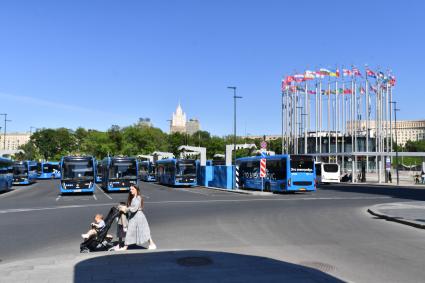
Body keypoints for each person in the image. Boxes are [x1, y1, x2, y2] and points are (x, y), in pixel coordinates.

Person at [116, 185, 156, 250]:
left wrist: (125, 209)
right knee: (132, 231)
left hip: (138, 217)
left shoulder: (138, 198)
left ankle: (152, 244)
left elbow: (134, 209)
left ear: (136, 189)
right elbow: (132, 208)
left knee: (142, 231)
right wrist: (125, 208)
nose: (130, 190)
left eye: (132, 189)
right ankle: (126, 246)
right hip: (135, 217)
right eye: (130, 189)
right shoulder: (134, 198)